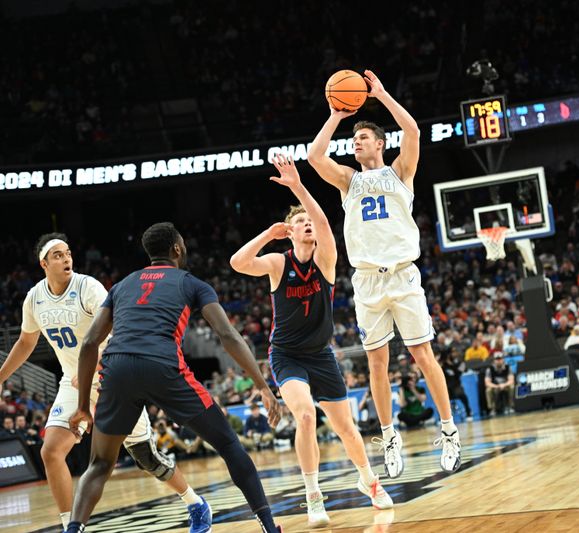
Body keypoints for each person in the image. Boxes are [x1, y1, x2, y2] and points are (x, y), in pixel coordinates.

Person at [66, 222, 283, 533]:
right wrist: (262, 385)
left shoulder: (122, 285)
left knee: (99, 464)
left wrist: (83, 406)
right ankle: (269, 527)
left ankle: (73, 529)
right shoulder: (192, 283)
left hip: (116, 368)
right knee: (229, 445)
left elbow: (88, 344)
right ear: (178, 249)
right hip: (162, 366)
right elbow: (227, 335)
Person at [0, 233, 210, 533]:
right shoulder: (34, 298)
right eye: (58, 255)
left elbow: (122, 329)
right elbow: (25, 341)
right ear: (44, 263)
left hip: (113, 378)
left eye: (68, 253)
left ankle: (195, 503)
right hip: (74, 385)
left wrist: (95, 364)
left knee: (147, 458)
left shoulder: (88, 287)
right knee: (51, 451)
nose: (66, 258)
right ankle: (69, 526)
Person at [308, 69, 460, 478]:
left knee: (422, 355)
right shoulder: (348, 180)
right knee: (377, 363)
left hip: (403, 276)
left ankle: (448, 431)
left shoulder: (400, 171)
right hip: (367, 280)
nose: (355, 143)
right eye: (352, 139)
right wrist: (337, 114)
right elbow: (314, 157)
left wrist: (382, 95)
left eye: (362, 137)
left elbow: (411, 130)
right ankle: (389, 437)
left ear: (379, 143)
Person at [229, 155, 392, 527]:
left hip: (321, 355)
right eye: (298, 222)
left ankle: (368, 479)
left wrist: (299, 186)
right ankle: (313, 496)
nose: (307, 225)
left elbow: (322, 220)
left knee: (347, 429)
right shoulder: (277, 263)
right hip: (286, 356)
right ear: (289, 230)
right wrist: (269, 235)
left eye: (309, 222)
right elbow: (238, 262)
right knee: (304, 415)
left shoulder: (326, 259)